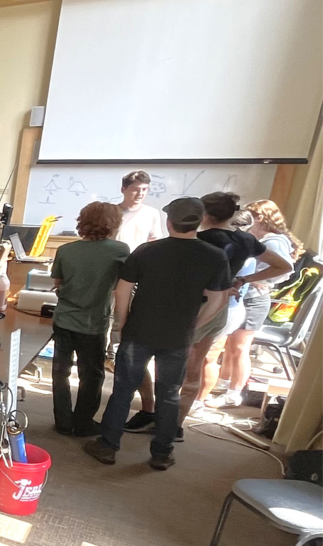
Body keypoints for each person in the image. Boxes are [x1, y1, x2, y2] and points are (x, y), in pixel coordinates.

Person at [85, 197, 232, 470]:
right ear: (199, 222)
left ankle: (108, 446)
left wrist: (122, 323)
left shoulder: (146, 251)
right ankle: (161, 453)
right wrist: (194, 326)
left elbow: (122, 291)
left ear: (168, 221)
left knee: (123, 391)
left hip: (138, 331)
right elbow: (218, 300)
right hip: (178, 337)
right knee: (169, 394)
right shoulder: (214, 256)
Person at [181, 194, 290, 421]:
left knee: (179, 361)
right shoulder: (245, 240)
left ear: (205, 214)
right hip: (225, 308)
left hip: (195, 307)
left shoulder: (198, 239)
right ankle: (181, 417)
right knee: (202, 360)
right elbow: (283, 266)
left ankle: (167, 413)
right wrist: (245, 279)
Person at [210, 198, 303, 408]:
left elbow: (283, 270)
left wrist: (253, 279)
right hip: (244, 296)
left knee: (240, 348)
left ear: (260, 217)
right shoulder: (255, 238)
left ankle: (234, 393)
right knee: (229, 347)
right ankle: (223, 383)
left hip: (255, 300)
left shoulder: (273, 242)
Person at [49, 201, 128, 436]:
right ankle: (83, 423)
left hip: (63, 319)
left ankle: (63, 421)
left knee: (60, 372)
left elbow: (58, 284)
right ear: (113, 223)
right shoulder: (120, 250)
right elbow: (124, 285)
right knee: (91, 374)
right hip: (94, 322)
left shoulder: (66, 250)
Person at [114, 170, 169, 433]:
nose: (140, 194)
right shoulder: (112, 212)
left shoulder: (151, 214)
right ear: (124, 188)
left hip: (137, 280)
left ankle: (148, 406)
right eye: (136, 189)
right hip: (113, 276)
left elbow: (154, 242)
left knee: (131, 345)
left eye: (145, 190)